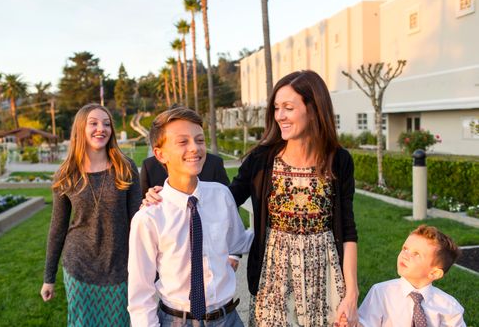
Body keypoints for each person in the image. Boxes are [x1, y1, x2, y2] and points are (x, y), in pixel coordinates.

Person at [145, 70, 359, 326]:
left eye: (288, 108)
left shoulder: (340, 160)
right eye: (277, 108)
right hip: (273, 282)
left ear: (313, 109)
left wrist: (352, 291)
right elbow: (222, 200)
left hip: (324, 278)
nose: (279, 115)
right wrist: (168, 196)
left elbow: (347, 230)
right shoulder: (262, 159)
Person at [128, 107, 254, 326]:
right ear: (160, 154)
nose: (195, 148)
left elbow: (239, 242)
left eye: (199, 140)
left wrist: (278, 224)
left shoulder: (221, 195)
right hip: (177, 320)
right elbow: (140, 294)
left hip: (228, 319)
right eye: (183, 142)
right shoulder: (149, 217)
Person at [40, 103, 142, 326]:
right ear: (80, 129)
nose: (101, 129)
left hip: (119, 266)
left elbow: (138, 221)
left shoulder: (126, 168)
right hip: (79, 266)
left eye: (106, 124)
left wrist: (149, 265)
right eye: (93, 123)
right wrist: (49, 279)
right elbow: (57, 229)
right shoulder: (66, 174)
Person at [357, 225, 465, 327]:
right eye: (405, 249)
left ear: (434, 273)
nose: (405, 255)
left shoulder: (449, 307)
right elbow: (366, 323)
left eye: (416, 254)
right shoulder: (381, 292)